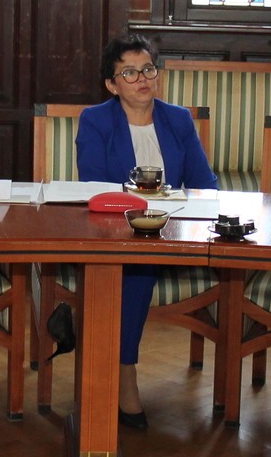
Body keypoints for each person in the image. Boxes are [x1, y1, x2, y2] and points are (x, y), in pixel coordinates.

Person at [66, 32, 217, 427]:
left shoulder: (178, 119)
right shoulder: (96, 120)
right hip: (116, 234)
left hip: (174, 233)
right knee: (136, 264)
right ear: (111, 85)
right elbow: (95, 187)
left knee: (143, 260)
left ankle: (113, 362)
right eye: (129, 73)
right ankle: (124, 370)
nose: (142, 79)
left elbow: (205, 185)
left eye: (148, 69)